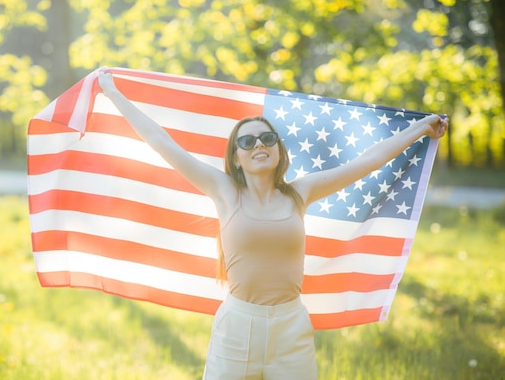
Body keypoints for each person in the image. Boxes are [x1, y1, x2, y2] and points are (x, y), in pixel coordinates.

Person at [97, 70, 448, 380]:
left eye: (267, 139)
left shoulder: (300, 192)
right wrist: (112, 92)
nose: (258, 145)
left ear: (279, 150)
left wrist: (421, 128)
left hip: (290, 328)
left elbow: (366, 162)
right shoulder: (224, 192)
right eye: (246, 142)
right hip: (236, 327)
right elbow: (162, 142)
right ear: (236, 157)